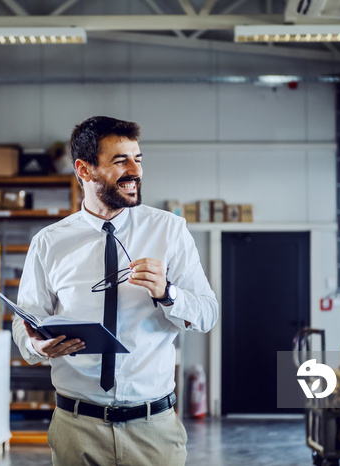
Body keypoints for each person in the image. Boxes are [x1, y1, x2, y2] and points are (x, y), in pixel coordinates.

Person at [12, 115, 219, 465]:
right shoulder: (49, 243)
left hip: (153, 430)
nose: (134, 171)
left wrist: (168, 292)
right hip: (77, 430)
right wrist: (35, 344)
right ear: (84, 169)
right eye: (120, 161)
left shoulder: (169, 231)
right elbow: (25, 320)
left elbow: (207, 314)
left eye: (138, 159)